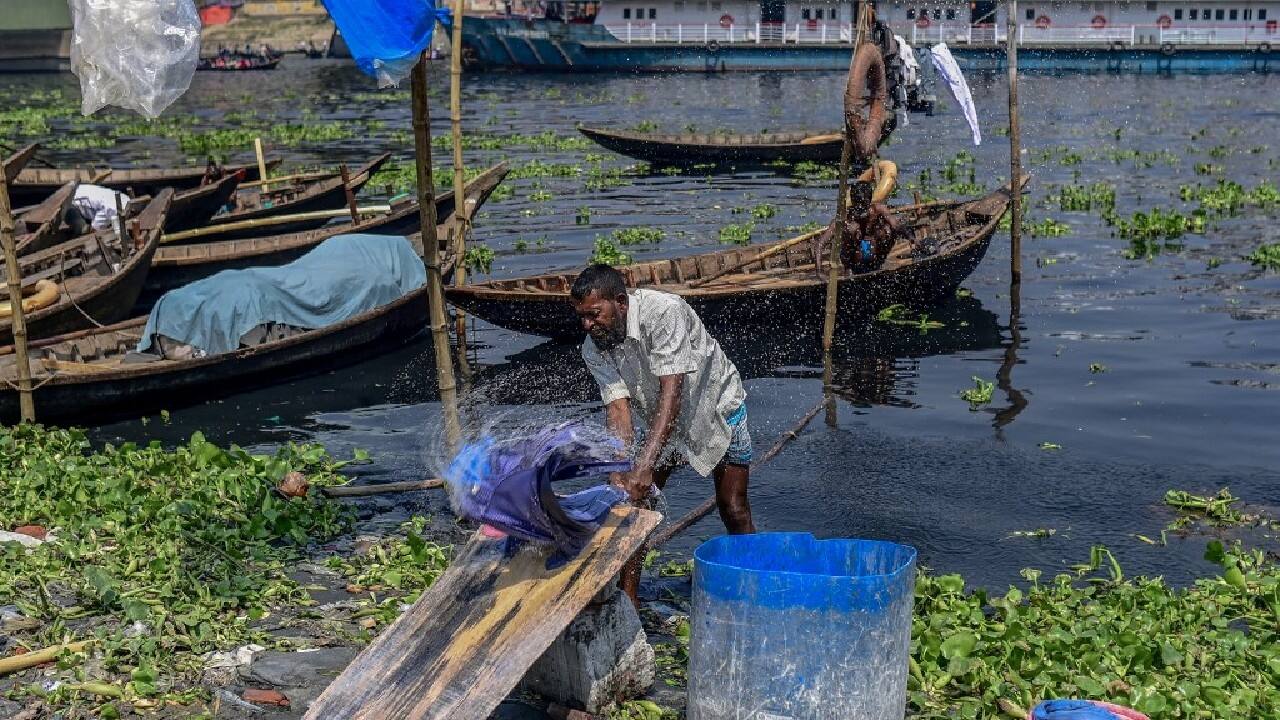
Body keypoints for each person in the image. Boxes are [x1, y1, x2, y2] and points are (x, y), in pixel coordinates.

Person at [570, 264, 754, 603]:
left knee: (733, 507)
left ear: (621, 303)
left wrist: (646, 464)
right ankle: (629, 603)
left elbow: (673, 391)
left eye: (595, 315)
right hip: (664, 423)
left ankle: (756, 587)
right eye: (582, 317)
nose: (587, 325)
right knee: (637, 505)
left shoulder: (663, 312)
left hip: (716, 407)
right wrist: (619, 467)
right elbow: (618, 409)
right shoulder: (592, 348)